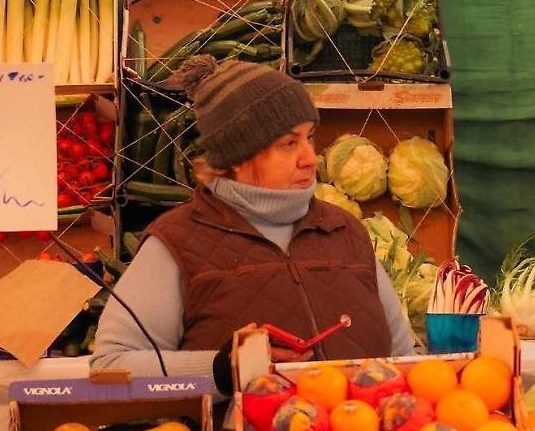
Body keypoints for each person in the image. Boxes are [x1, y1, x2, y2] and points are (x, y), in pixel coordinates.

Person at [93, 56, 415, 392]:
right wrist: (220, 371)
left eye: (310, 138)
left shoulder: (345, 231)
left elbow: (404, 356)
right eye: (289, 144)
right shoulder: (176, 242)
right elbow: (112, 366)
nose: (309, 158)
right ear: (237, 158)